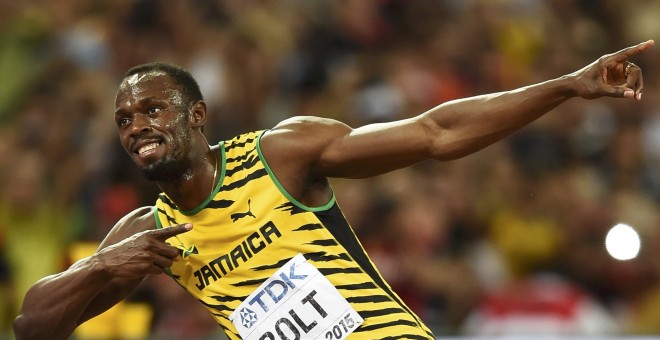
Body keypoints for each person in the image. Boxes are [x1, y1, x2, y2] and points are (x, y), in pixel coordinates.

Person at [13, 40, 654, 340]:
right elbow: (34, 324)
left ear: (197, 115)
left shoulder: (280, 155)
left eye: (153, 109)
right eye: (124, 119)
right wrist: (102, 266)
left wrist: (565, 85)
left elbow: (435, 133)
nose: (137, 126)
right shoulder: (147, 235)